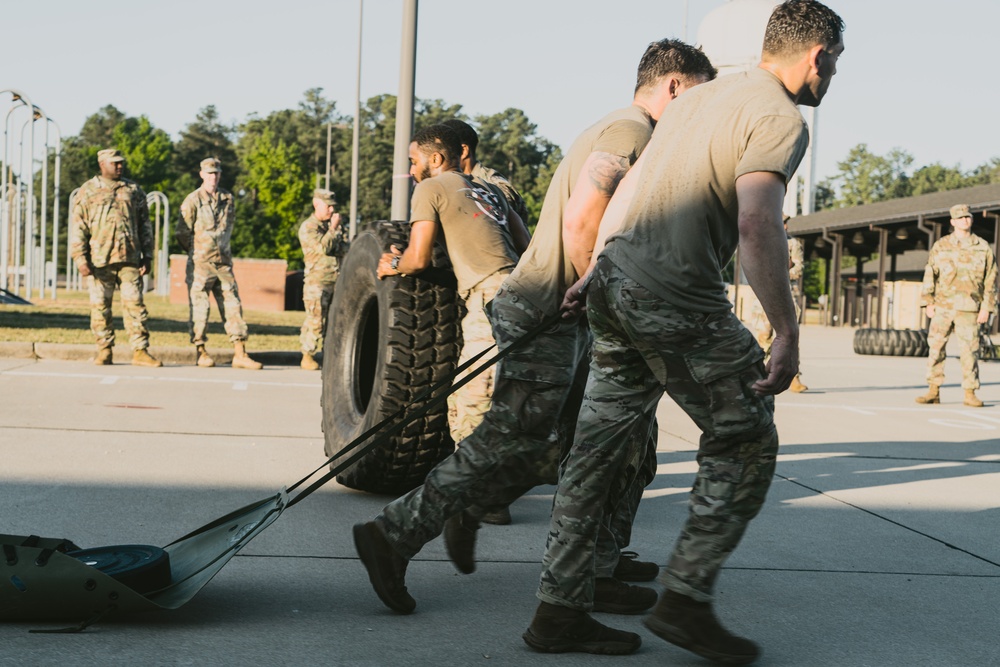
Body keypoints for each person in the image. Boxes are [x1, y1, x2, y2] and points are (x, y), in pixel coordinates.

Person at [353, 39, 716, 617]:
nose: (705, 110)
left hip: (561, 304)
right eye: (700, 94)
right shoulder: (632, 132)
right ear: (673, 85)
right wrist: (589, 288)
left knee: (616, 443)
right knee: (512, 437)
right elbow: (585, 216)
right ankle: (394, 533)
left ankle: (596, 560)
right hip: (552, 305)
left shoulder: (622, 127)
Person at [526, 1, 845, 661]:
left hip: (617, 282)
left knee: (596, 450)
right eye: (835, 62)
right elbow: (758, 224)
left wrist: (597, 272)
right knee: (746, 433)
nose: (832, 75)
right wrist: (785, 329)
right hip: (673, 290)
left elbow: (634, 185)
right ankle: (686, 597)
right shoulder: (780, 117)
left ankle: (558, 610)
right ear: (817, 56)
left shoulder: (700, 101)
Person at [377, 123, 530, 454]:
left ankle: (477, 500)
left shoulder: (430, 189)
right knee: (482, 400)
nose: (411, 169)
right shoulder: (490, 191)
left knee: (472, 405)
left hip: (490, 300)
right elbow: (526, 246)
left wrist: (391, 264)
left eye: (413, 161)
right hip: (523, 293)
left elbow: (417, 259)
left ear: (434, 159)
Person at [440, 117, 531, 525]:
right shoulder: (449, 187)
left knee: (476, 393)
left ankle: (486, 495)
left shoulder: (489, 184)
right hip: (482, 293)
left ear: (462, 152)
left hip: (495, 297)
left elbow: (509, 221)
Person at [70, 148, 161, 367]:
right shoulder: (88, 190)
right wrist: (80, 258)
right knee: (100, 306)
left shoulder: (133, 190)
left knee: (135, 305)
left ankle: (140, 351)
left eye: (121, 163)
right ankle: (104, 349)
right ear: (102, 164)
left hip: (130, 258)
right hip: (99, 260)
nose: (120, 166)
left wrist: (148, 256)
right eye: (115, 163)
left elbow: (144, 225)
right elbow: (78, 226)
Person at [177, 157, 262, 370]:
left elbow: (228, 227)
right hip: (200, 264)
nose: (213, 177)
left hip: (223, 263)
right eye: (209, 173)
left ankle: (240, 352)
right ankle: (201, 351)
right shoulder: (193, 200)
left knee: (233, 306)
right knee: (200, 309)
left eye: (216, 173)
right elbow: (182, 232)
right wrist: (197, 251)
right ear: (202, 174)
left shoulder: (228, 198)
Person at [915, 203, 997, 408]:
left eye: (967, 217)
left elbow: (991, 279)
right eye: (960, 218)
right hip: (943, 307)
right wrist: (928, 302)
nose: (965, 220)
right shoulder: (941, 246)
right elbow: (930, 274)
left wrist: (986, 307)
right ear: (952, 222)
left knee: (969, 351)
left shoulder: (982, 247)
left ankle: (970, 392)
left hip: (969, 307)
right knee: (936, 348)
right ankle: (933, 390)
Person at [750, 216, 808, 392]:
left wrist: (778, 273)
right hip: (764, 294)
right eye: (781, 221)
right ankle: (761, 373)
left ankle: (793, 378)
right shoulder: (760, 242)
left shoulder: (793, 244)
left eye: (785, 222)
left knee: (789, 335)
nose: (785, 225)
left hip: (787, 294)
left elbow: (799, 269)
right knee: (763, 336)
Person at [297, 188, 348, 370]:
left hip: (337, 281)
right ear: (316, 204)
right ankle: (307, 355)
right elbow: (324, 248)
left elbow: (343, 249)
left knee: (335, 321)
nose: (332, 211)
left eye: (333, 207)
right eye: (328, 206)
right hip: (317, 283)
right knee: (316, 321)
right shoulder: (309, 227)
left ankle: (330, 356)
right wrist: (334, 228)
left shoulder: (331, 227)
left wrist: (336, 231)